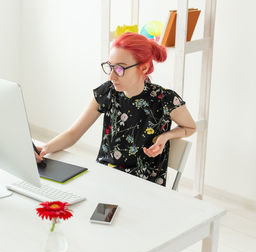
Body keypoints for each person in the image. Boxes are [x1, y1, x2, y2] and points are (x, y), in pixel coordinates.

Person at [35, 32, 196, 186]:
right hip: (106, 176)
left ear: (144, 68)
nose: (112, 76)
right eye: (110, 67)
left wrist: (167, 136)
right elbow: (73, 133)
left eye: (120, 69)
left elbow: (189, 127)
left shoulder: (165, 99)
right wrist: (44, 149)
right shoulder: (108, 92)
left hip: (145, 186)